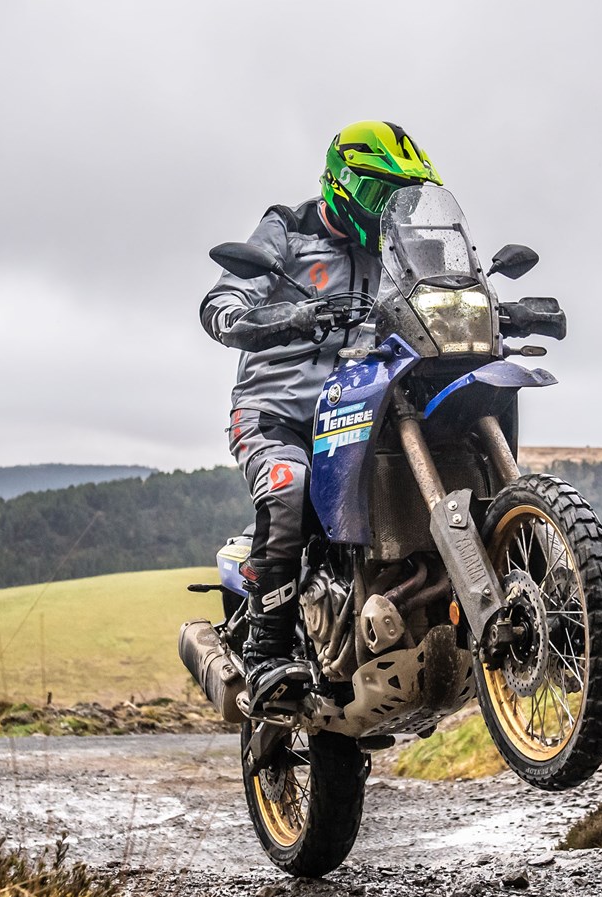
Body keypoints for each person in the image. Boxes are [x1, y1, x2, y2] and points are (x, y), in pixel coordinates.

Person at [199, 121, 442, 713]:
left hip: (361, 408)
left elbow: (443, 286)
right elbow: (223, 300)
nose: (385, 209)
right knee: (289, 486)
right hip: (275, 412)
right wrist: (268, 317)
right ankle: (266, 655)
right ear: (341, 182)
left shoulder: (400, 250)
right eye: (377, 192)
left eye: (401, 196)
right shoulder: (288, 228)